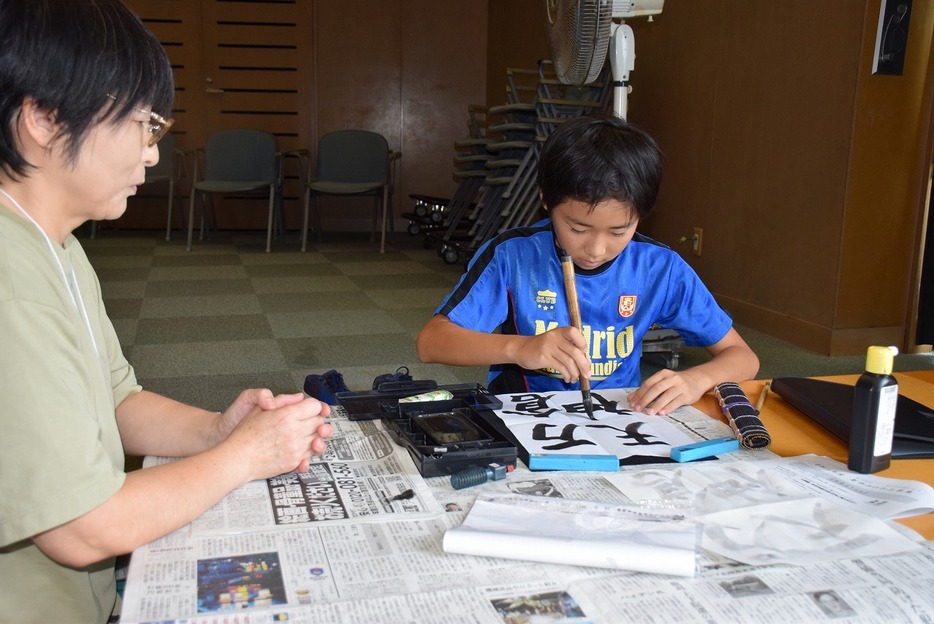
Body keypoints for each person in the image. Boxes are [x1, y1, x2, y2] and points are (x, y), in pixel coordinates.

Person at [0, 1, 333, 621]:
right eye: (142, 124)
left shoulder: (55, 244)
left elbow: (116, 399)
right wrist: (242, 457)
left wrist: (217, 430)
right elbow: (81, 529)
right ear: (44, 120)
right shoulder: (9, 283)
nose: (152, 154)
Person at [417, 114, 759, 415]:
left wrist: (697, 379)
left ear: (641, 215)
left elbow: (743, 357)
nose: (596, 249)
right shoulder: (512, 256)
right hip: (522, 415)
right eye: (577, 228)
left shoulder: (659, 268)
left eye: (619, 231)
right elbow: (431, 343)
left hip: (617, 415)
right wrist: (521, 349)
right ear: (546, 200)